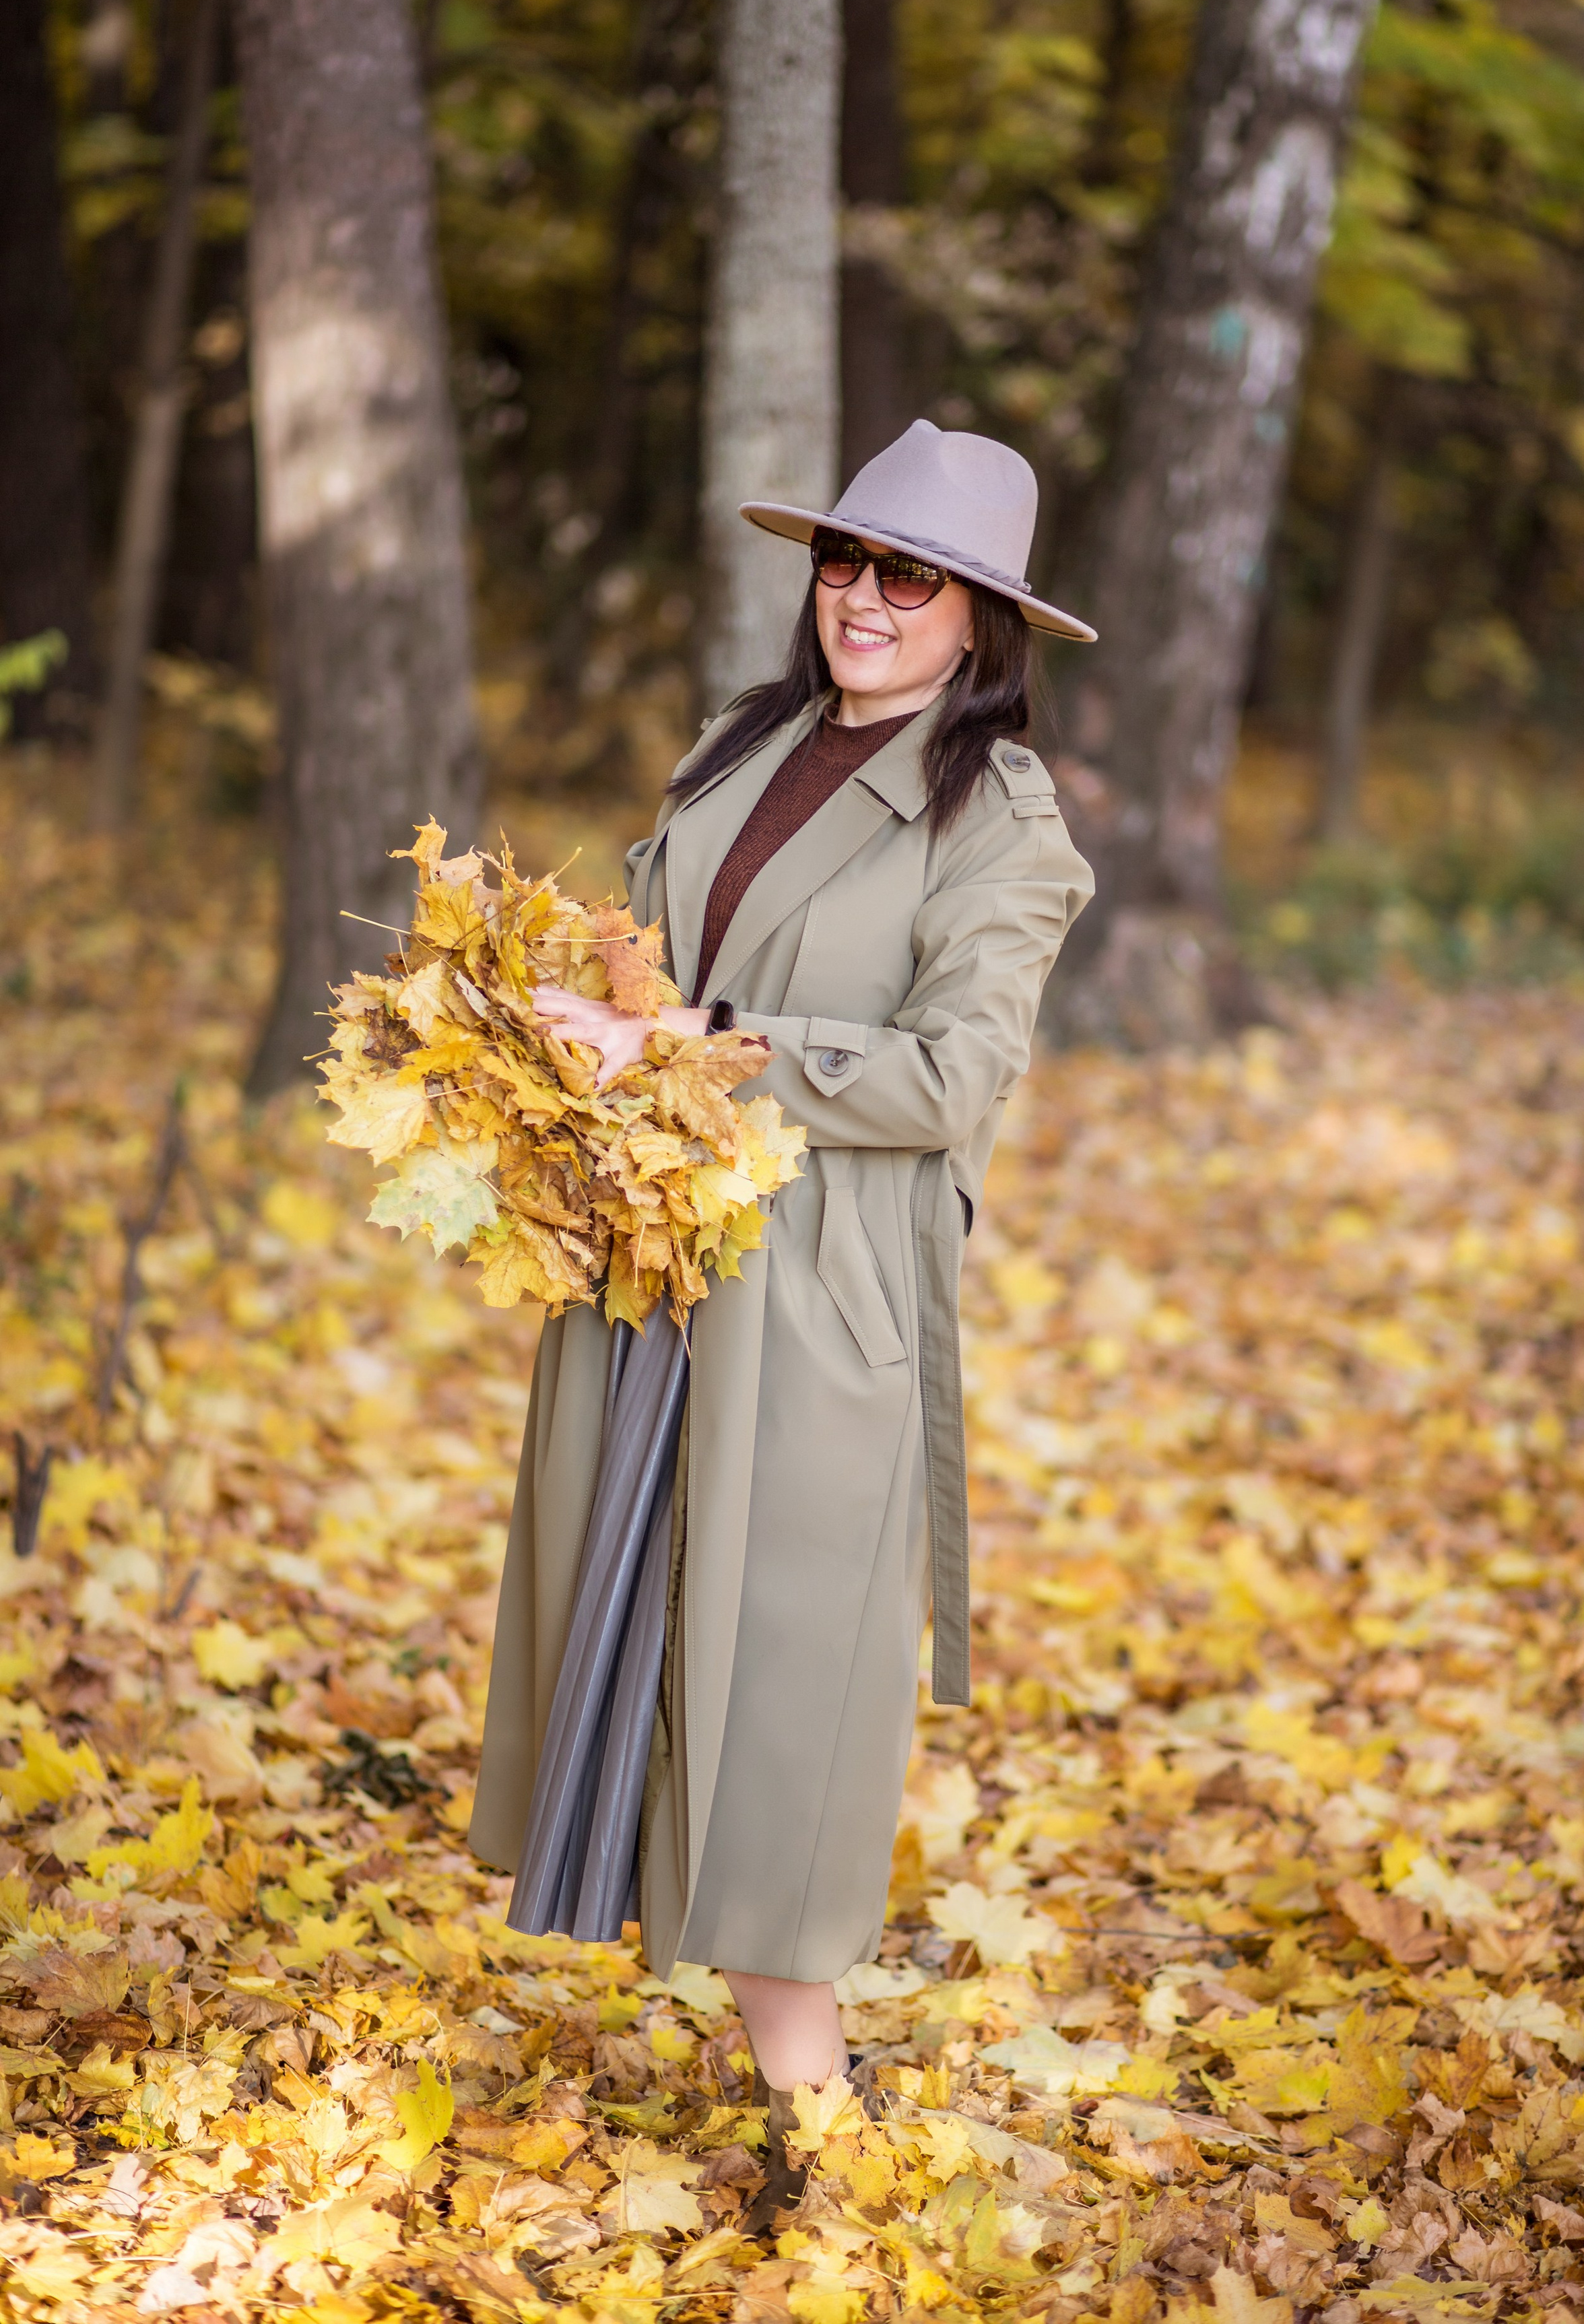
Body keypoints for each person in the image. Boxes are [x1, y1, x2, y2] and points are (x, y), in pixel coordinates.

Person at [470, 417, 1095, 2220]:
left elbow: (952, 1075)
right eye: (844, 561)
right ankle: (781, 2076)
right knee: (644, 1638)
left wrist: (702, 1056)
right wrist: (555, 1021)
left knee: (787, 1697)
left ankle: (816, 2125)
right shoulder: (746, 750)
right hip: (657, 1272)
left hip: (819, 1308)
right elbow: (660, 965)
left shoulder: (1006, 827)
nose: (864, 600)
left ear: (985, 618)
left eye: (909, 576)